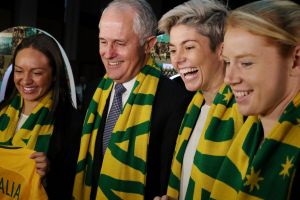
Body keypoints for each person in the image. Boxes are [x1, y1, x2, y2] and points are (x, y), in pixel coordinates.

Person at [72, 0, 192, 199]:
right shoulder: (93, 90)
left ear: (149, 45)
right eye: (103, 41)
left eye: (119, 43)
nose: (108, 53)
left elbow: (168, 179)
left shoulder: (175, 100)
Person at [210, 0, 300, 199]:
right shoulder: (251, 130)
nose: (229, 78)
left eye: (246, 63)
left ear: (296, 60)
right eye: (227, 62)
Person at [155, 0, 244, 199]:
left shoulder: (247, 113)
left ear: (221, 50)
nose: (177, 60)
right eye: (173, 50)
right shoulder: (189, 109)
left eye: (188, 47)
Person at [0, 33, 80, 199]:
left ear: (54, 75)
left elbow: (74, 186)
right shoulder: (1, 110)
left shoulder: (71, 123)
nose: (26, 80)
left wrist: (49, 173)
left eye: (36, 73)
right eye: (19, 71)